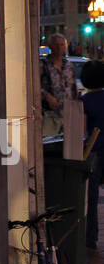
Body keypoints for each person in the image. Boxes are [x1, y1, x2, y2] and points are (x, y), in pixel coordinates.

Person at [80, 60, 104, 251]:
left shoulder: (85, 101)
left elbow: (83, 130)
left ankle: (91, 238)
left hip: (94, 151)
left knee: (93, 196)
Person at [40, 34, 77, 134]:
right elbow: (35, 88)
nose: (59, 48)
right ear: (50, 46)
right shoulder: (43, 65)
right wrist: (47, 96)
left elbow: (73, 89)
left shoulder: (69, 66)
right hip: (49, 115)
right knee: (50, 144)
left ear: (65, 47)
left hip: (67, 113)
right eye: (56, 45)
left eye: (61, 45)